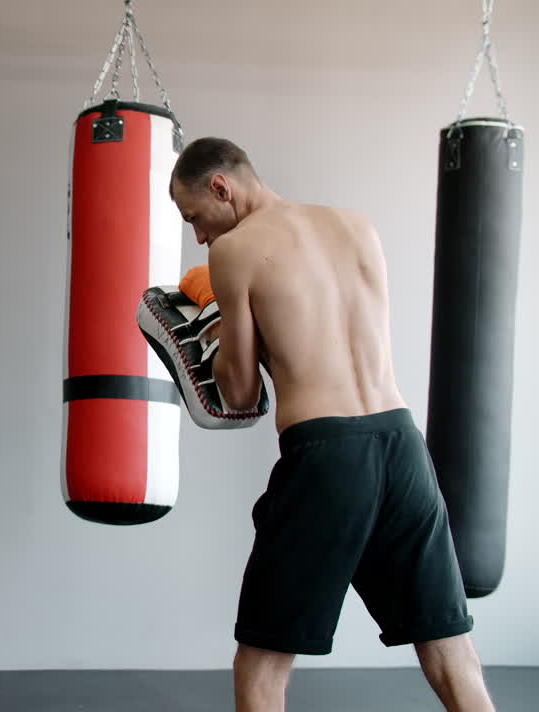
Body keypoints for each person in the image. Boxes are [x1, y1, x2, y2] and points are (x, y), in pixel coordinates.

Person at [167, 137, 495, 712]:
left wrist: (212, 334)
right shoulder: (355, 226)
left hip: (327, 457)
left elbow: (241, 396)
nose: (199, 235)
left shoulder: (235, 252)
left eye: (195, 216)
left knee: (262, 663)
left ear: (222, 187)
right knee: (450, 651)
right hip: (402, 447)